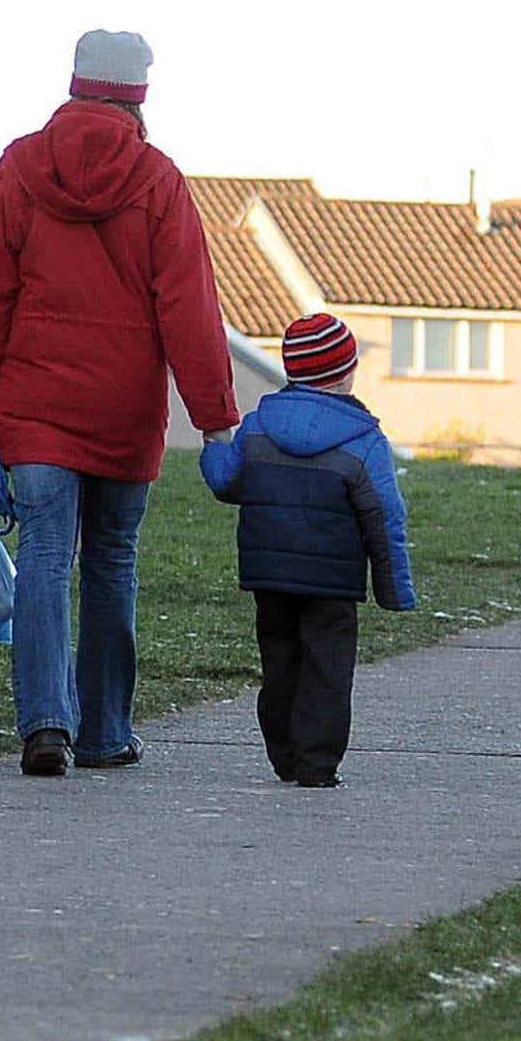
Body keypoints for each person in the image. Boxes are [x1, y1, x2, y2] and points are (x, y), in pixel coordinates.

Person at [0, 31, 242, 777]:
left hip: (33, 404)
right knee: (111, 559)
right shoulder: (157, 179)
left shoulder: (19, 165)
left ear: (75, 85)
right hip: (123, 406)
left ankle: (46, 724)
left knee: (44, 555)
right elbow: (189, 308)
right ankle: (106, 729)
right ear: (139, 96)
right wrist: (215, 420)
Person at [199, 312, 416, 786]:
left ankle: (284, 756)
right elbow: (383, 516)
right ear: (348, 371)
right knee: (328, 669)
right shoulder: (363, 440)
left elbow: (225, 481)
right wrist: (394, 589)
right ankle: (317, 763)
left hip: (269, 575)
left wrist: (214, 444)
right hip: (332, 584)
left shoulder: (257, 428)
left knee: (280, 661)